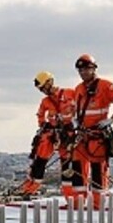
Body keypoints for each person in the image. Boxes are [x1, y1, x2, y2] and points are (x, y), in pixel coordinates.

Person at [71, 54, 113, 208]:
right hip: (82, 136)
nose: (83, 73)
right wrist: (75, 120)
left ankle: (98, 204)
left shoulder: (105, 86)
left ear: (93, 69)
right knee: (78, 171)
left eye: (86, 69)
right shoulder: (79, 89)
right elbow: (74, 109)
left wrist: (111, 120)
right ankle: (78, 203)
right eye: (81, 70)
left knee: (98, 171)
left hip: (97, 137)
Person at [19, 70, 76, 200]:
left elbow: (80, 107)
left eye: (44, 87)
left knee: (67, 165)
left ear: (50, 82)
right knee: (39, 161)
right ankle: (29, 191)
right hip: (52, 134)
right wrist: (44, 125)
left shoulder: (69, 93)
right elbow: (40, 116)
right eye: (41, 89)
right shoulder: (45, 101)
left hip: (67, 134)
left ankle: (70, 196)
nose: (43, 90)